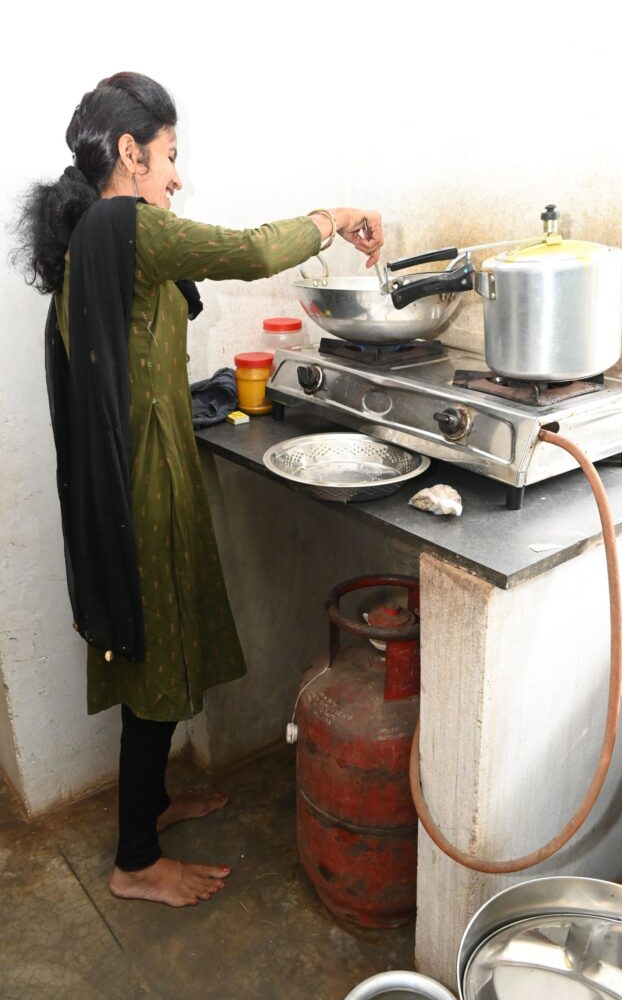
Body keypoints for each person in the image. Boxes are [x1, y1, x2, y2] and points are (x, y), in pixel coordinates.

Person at [14, 71, 383, 908]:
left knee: (157, 640)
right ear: (129, 152)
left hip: (143, 462)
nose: (177, 177)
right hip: (142, 476)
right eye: (170, 155)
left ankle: (151, 802)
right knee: (154, 649)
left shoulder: (93, 238)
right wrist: (337, 215)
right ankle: (134, 860)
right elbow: (251, 252)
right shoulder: (126, 226)